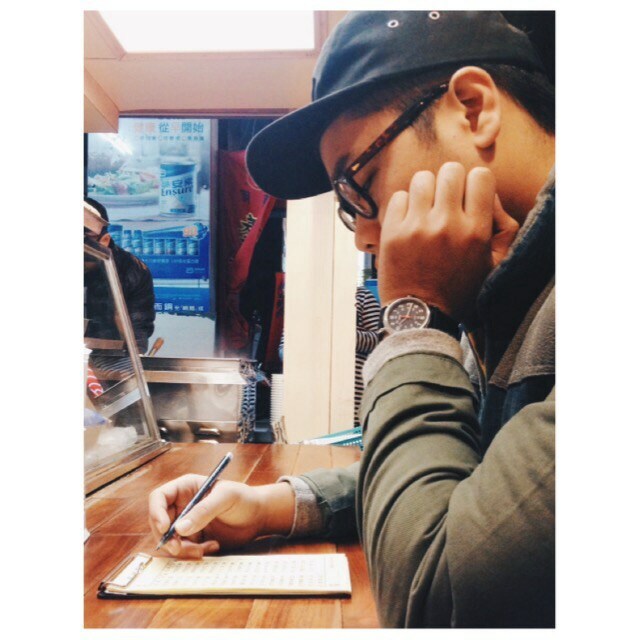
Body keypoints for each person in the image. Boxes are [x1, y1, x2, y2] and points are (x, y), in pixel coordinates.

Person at [148, 11, 555, 628]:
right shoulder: (513, 283)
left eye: (359, 182)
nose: (364, 235)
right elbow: (474, 479)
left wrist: (416, 317)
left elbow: (433, 598)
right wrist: (273, 507)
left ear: (473, 109)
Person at [84, 197, 156, 354]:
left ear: (104, 240)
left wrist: (135, 356)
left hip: (108, 358)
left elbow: (137, 328)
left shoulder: (133, 271)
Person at [354, 284, 380, 425]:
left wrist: (342, 334)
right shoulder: (305, 301)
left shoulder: (362, 296)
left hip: (353, 395)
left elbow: (378, 340)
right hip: (310, 387)